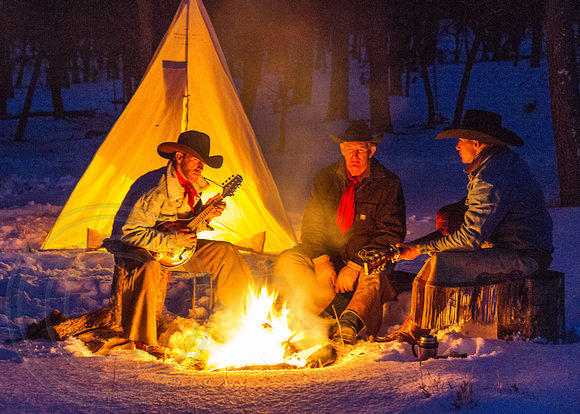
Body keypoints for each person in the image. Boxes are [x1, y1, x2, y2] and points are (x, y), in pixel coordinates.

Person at [387, 110, 553, 344]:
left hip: (525, 256)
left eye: (460, 141)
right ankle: (416, 323)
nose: (457, 147)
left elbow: (470, 238)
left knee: (442, 262)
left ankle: (418, 331)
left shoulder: (491, 178)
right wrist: (419, 245)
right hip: (520, 249)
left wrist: (420, 248)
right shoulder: (499, 163)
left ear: (476, 143)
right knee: (439, 258)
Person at [106, 130, 254, 355]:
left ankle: (238, 319)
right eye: (196, 160)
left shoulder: (190, 186)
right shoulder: (154, 189)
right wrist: (173, 239)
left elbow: (182, 226)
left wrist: (206, 216)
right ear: (179, 157)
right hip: (136, 248)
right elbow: (128, 233)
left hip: (172, 250)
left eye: (202, 163)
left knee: (226, 252)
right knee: (148, 267)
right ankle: (142, 341)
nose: (200, 168)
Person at [273, 120, 406, 345]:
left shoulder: (388, 183)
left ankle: (349, 321)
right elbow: (312, 225)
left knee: (373, 274)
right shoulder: (325, 178)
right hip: (332, 259)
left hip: (365, 261)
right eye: (349, 149)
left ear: (371, 151)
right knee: (289, 259)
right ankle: (322, 306)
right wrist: (321, 260)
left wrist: (354, 266)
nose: (354, 156)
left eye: (360, 150)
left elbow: (390, 234)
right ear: (342, 149)